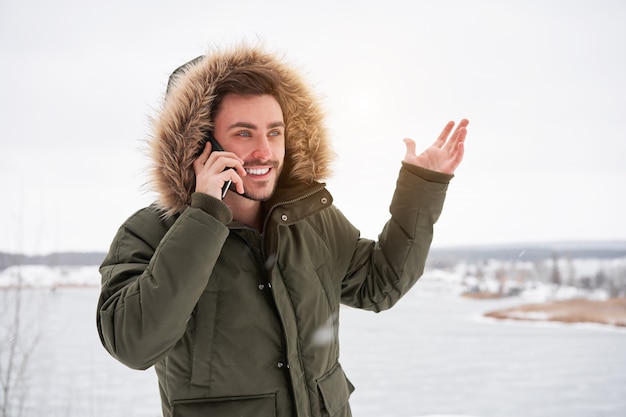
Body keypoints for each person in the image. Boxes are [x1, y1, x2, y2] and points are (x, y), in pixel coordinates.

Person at [96, 44, 468, 417]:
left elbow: (380, 285)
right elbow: (134, 345)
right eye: (244, 134)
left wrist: (423, 186)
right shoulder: (148, 233)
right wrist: (205, 215)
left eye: (274, 132)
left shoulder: (308, 218)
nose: (265, 152)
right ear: (199, 144)